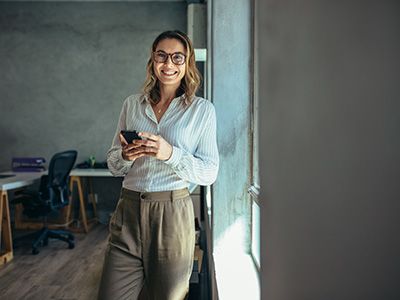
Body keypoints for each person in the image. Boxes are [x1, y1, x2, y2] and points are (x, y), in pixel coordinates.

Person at [98, 30, 219, 300]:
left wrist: (169, 153)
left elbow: (209, 172)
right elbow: (114, 164)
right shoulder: (132, 104)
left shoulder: (202, 111)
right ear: (152, 60)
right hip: (128, 210)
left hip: (172, 215)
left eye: (178, 57)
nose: (168, 64)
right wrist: (126, 156)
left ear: (187, 63)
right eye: (161, 56)